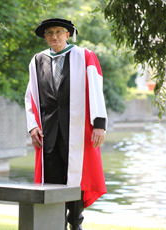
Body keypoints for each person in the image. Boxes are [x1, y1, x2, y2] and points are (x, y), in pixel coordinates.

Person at [25, 18, 108, 230]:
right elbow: (31, 97)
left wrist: (99, 124)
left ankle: (75, 221)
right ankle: (56, 222)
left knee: (78, 176)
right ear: (45, 37)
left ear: (67, 35)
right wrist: (33, 125)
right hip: (49, 130)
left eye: (59, 32)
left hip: (78, 128)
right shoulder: (37, 61)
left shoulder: (84, 56)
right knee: (52, 179)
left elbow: (96, 89)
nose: (54, 36)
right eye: (50, 33)